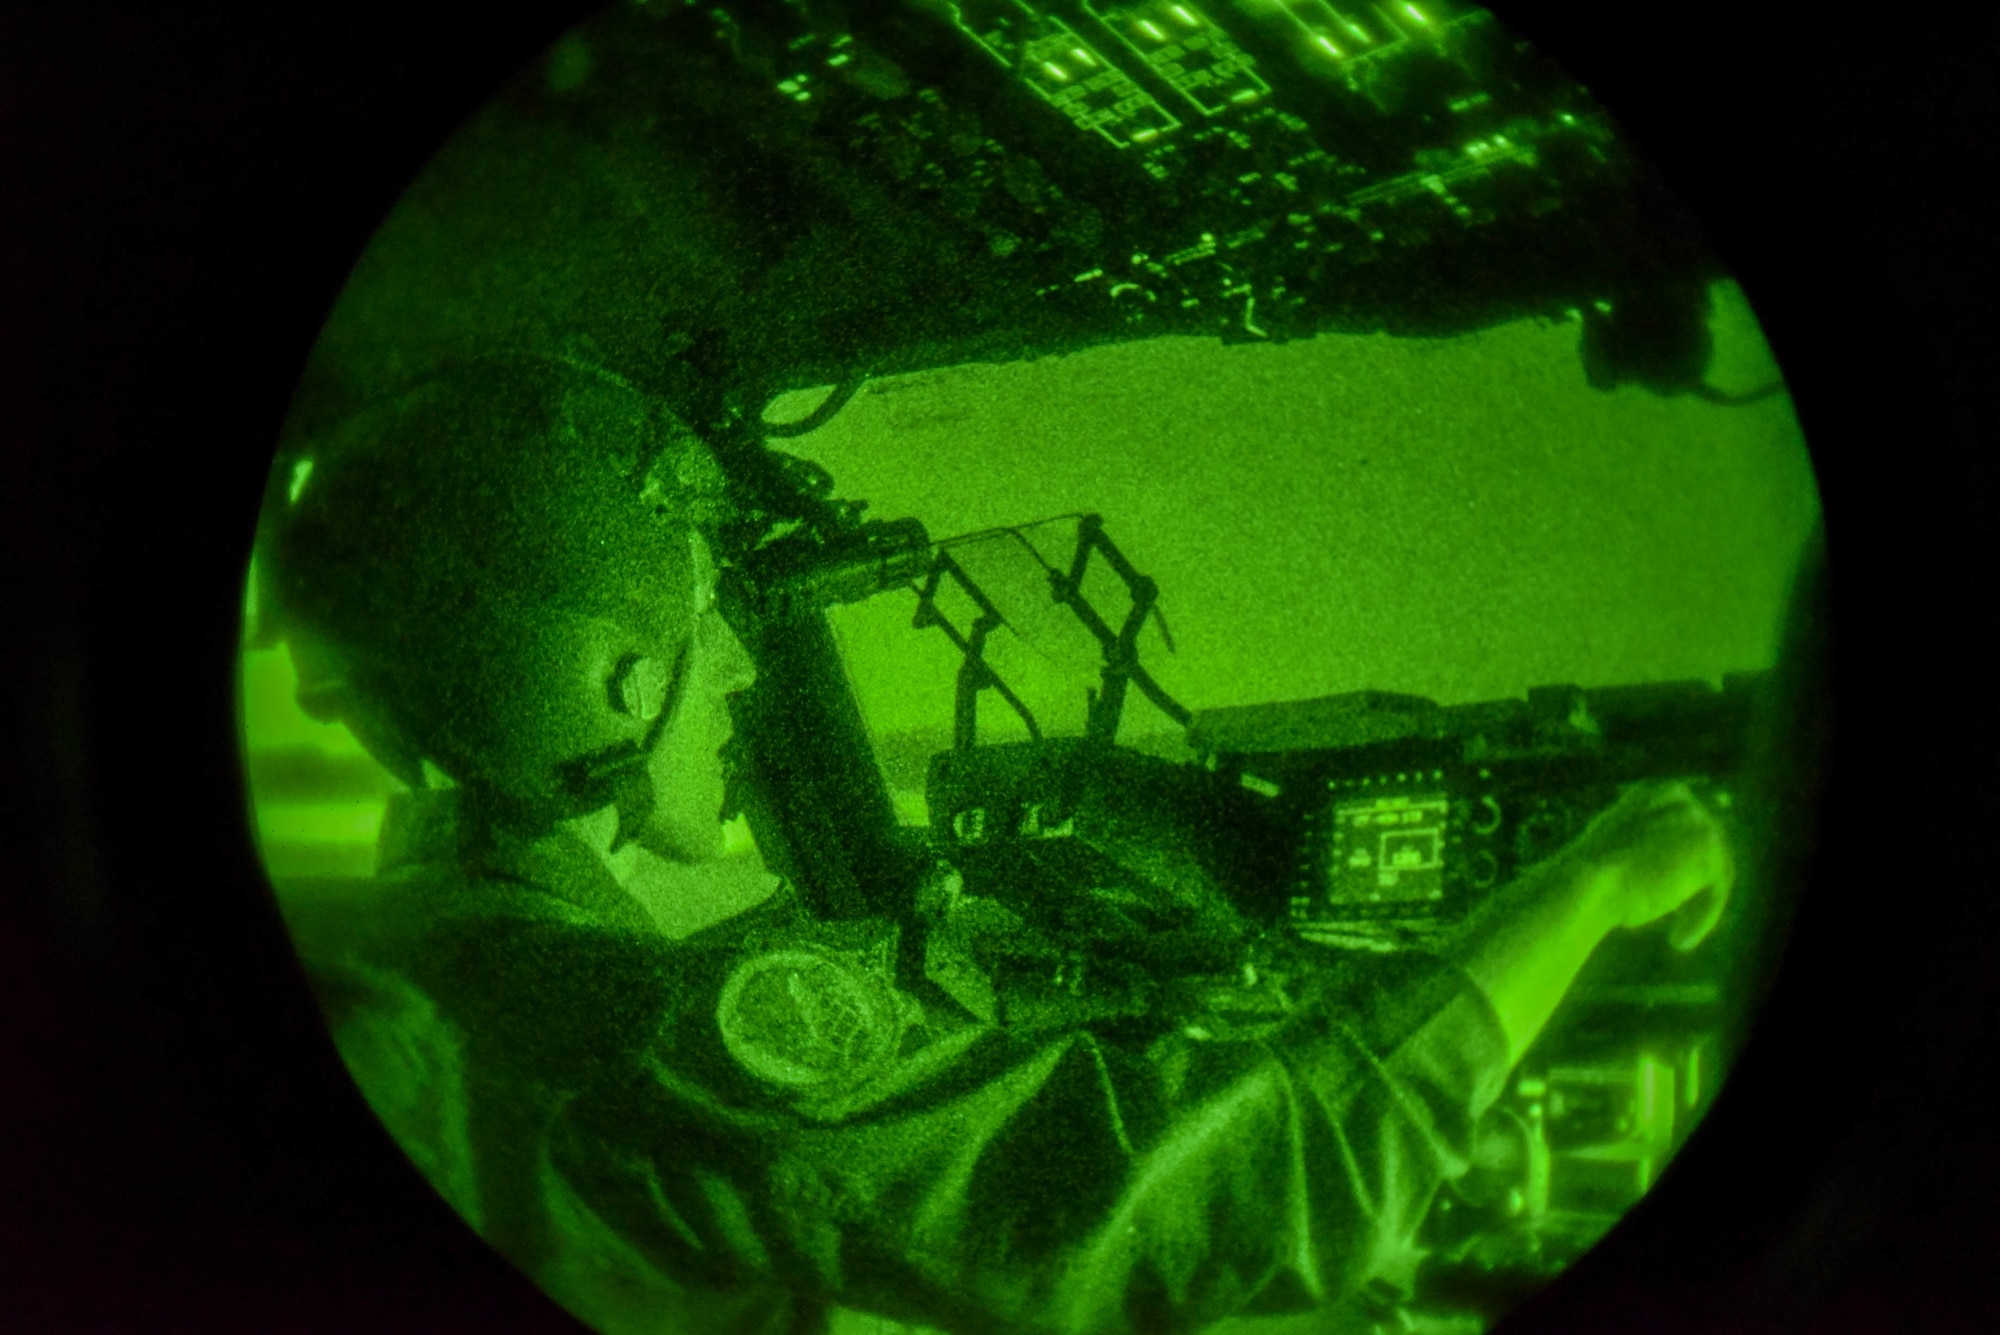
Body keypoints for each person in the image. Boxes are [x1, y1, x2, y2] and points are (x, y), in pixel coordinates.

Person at [259, 354, 1733, 1335]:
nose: (748, 674)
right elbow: (1244, 1193)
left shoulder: (394, 963)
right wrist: (1599, 877)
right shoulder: (645, 1040)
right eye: (711, 621)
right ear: (618, 686)